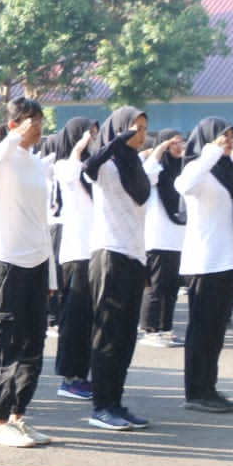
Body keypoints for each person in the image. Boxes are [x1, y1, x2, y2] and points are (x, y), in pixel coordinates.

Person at [0, 99, 55, 447]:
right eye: (32, 122)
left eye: (40, 121)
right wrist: (8, 139)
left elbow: (41, 218)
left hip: (37, 260)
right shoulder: (3, 159)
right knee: (4, 344)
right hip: (7, 262)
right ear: (16, 123)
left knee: (33, 343)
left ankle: (19, 415)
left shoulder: (35, 163)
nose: (38, 128)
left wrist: (51, 275)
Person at [83, 106, 153, 431]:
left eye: (143, 129)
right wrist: (113, 143)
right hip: (109, 254)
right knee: (108, 334)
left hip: (134, 256)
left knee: (126, 337)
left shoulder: (135, 165)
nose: (140, 135)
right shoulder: (107, 165)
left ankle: (115, 402)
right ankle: (101, 406)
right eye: (134, 129)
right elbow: (88, 168)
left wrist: (145, 259)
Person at [176, 118, 233, 411]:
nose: (229, 143)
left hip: (228, 259)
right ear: (208, 139)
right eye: (224, 137)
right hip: (206, 262)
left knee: (216, 332)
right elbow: (183, 184)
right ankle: (196, 392)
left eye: (232, 138)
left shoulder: (229, 171)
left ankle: (209, 387)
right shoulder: (200, 170)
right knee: (202, 331)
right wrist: (210, 152)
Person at [50, 117, 97, 402]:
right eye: (89, 134)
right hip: (75, 253)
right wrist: (79, 148)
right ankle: (69, 378)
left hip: (94, 252)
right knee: (74, 320)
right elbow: (69, 173)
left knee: (89, 320)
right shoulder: (64, 165)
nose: (93, 138)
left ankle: (83, 374)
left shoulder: (91, 168)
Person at [139, 130, 187, 347]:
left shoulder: (182, 169)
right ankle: (150, 329)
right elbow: (147, 171)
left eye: (181, 142)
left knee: (171, 289)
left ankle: (166, 329)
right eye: (173, 143)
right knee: (156, 287)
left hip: (177, 238)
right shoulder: (158, 170)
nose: (179, 147)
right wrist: (159, 149)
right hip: (158, 237)